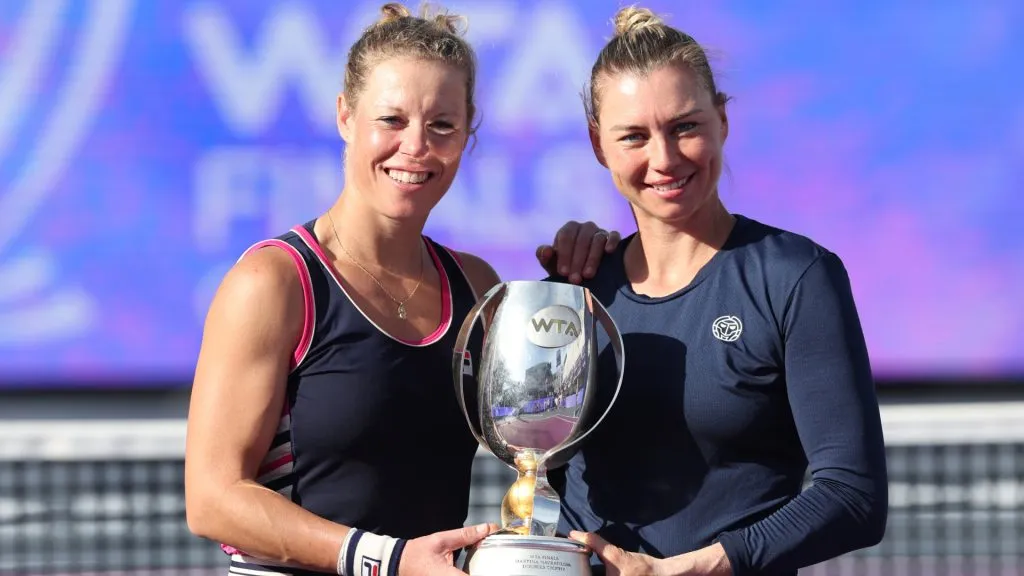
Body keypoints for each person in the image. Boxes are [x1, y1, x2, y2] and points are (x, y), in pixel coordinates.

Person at [183, 4, 617, 576]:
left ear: (467, 135)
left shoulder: (477, 286)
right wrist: (389, 561)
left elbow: (538, 436)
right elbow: (212, 500)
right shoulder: (274, 282)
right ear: (345, 117)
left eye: (442, 125)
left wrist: (591, 269)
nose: (416, 146)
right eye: (391, 120)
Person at [549, 7, 889, 576]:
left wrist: (695, 568)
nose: (664, 158)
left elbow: (853, 495)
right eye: (634, 136)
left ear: (722, 122)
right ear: (597, 144)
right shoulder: (574, 287)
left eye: (685, 126)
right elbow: (542, 465)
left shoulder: (795, 277)